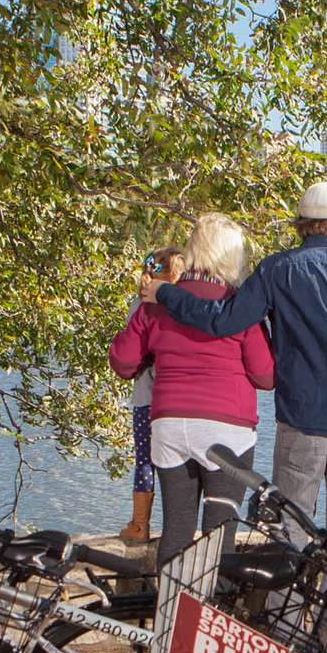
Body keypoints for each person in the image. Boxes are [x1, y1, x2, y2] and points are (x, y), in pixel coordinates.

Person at [142, 181, 327, 544]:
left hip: (301, 418)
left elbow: (221, 319)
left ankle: (290, 601)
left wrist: (166, 293)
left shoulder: (276, 270)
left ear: (300, 224)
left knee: (293, 529)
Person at [110, 217, 275, 562]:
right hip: (228, 432)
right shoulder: (237, 307)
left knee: (177, 529)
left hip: (170, 427)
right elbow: (265, 376)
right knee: (220, 538)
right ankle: (210, 613)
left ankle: (168, 612)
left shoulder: (157, 302)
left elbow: (123, 363)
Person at [118, 247, 186, 543]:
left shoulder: (139, 305)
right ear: (175, 276)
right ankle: (178, 527)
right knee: (180, 465)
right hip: (174, 399)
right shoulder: (181, 306)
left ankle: (139, 524)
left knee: (144, 461)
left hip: (145, 398)